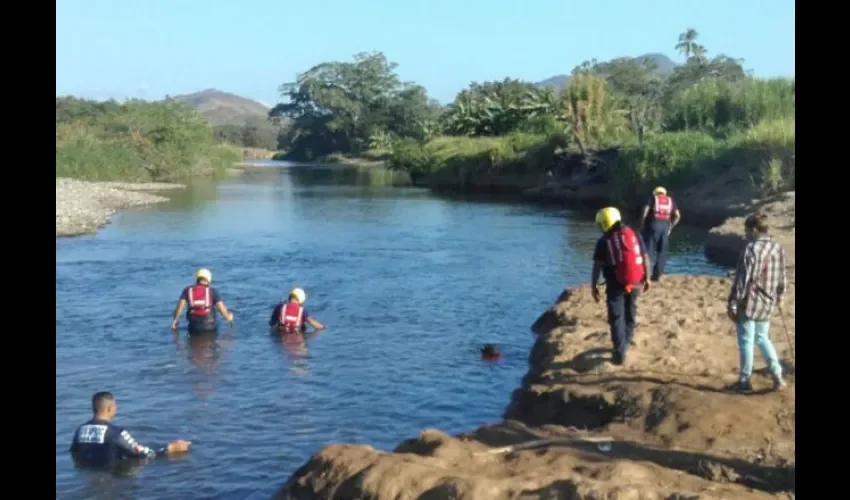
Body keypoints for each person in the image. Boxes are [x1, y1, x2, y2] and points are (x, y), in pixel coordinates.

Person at [725, 211, 788, 393]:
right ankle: (777, 376)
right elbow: (782, 277)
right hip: (768, 302)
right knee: (762, 337)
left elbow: (741, 281)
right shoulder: (777, 247)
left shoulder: (750, 249)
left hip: (750, 302)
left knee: (746, 341)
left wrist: (733, 303)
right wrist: (780, 298)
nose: (745, 234)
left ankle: (745, 382)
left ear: (753, 229)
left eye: (746, 230)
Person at [591, 207, 651, 366]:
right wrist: (648, 278)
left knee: (617, 317)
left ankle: (619, 352)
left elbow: (597, 266)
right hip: (636, 281)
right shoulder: (634, 234)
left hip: (615, 284)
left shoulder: (603, 242)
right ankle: (627, 341)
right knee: (631, 311)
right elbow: (645, 257)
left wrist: (594, 286)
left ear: (605, 223)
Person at [69, 391, 191, 468]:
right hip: (111, 479)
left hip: (91, 478)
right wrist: (170, 449)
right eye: (115, 405)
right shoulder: (116, 434)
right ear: (110, 408)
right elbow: (143, 454)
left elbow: (74, 454)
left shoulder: (80, 430)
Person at [171, 268, 234, 334]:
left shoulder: (187, 290)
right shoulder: (213, 291)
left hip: (193, 328)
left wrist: (175, 320)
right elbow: (222, 311)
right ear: (209, 279)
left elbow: (179, 308)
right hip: (209, 327)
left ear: (197, 278)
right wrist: (230, 317)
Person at [639, 186, 681, 281]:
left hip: (653, 225)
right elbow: (678, 215)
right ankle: (657, 275)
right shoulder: (670, 201)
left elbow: (645, 210)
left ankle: (645, 275)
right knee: (662, 252)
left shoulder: (652, 199)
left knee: (648, 251)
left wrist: (642, 223)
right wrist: (671, 227)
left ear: (655, 193)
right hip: (665, 227)